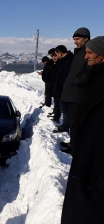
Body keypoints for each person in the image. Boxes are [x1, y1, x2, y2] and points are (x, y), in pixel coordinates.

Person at [61, 36, 104, 224]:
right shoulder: (96, 76)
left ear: (102, 56)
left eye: (90, 53)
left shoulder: (99, 81)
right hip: (89, 157)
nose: (87, 56)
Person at [59, 27, 91, 155]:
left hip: (78, 95)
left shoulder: (88, 52)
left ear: (86, 38)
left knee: (76, 123)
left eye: (77, 39)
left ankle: (75, 149)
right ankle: (73, 143)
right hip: (72, 95)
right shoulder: (79, 52)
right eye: (74, 39)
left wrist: (76, 81)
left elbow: (90, 72)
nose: (75, 42)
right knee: (73, 122)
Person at [52, 45, 73, 133]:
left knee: (65, 110)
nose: (56, 57)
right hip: (62, 89)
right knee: (64, 109)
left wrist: (58, 88)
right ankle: (65, 125)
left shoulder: (67, 62)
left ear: (60, 54)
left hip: (64, 90)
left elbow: (64, 77)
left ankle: (66, 126)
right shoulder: (66, 60)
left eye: (56, 55)